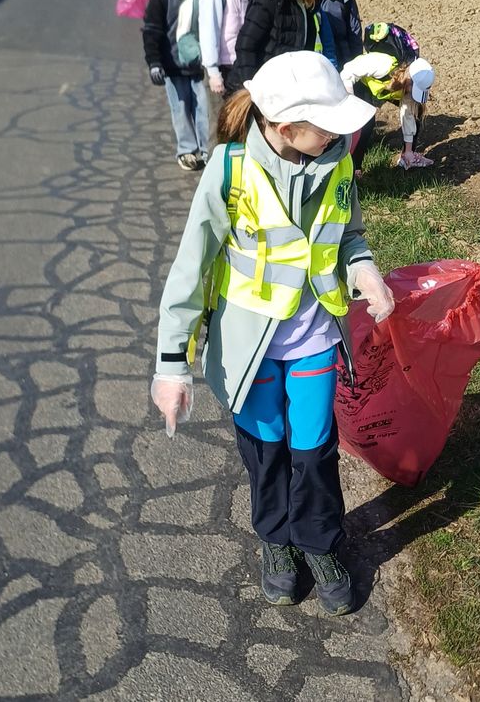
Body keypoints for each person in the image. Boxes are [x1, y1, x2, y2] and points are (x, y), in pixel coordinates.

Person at [151, 51, 394, 615]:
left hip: (313, 340)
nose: (344, 134)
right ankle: (277, 542)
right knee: (266, 454)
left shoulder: (336, 163)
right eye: (329, 125)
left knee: (314, 454)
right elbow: (191, 265)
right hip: (248, 353)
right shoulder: (230, 170)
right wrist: (170, 365)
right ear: (285, 127)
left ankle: (320, 543)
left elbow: (350, 235)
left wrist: (366, 272)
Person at [227, 0, 334, 92]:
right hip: (251, 90)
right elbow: (245, 45)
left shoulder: (306, 7)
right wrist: (252, 88)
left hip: (281, 91)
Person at [142, 0, 207, 171]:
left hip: (198, 61)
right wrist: (154, 62)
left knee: (203, 108)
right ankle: (187, 150)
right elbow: (152, 29)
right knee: (181, 108)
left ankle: (207, 150)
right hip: (172, 63)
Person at [340, 52, 435, 172]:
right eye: (414, 89)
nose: (412, 93)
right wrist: (350, 99)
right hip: (358, 83)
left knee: (417, 111)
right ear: (409, 79)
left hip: (383, 89)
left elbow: (408, 115)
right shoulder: (383, 65)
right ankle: (352, 167)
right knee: (366, 124)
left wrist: (408, 149)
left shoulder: (408, 88)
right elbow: (348, 71)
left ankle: (407, 156)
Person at [198, 0, 263, 104]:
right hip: (220, 68)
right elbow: (209, 31)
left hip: (236, 64)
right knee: (218, 123)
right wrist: (213, 72)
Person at [320, 0, 362, 70]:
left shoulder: (347, 0)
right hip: (323, 59)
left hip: (345, 58)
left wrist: (357, 61)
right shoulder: (314, 0)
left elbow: (355, 32)